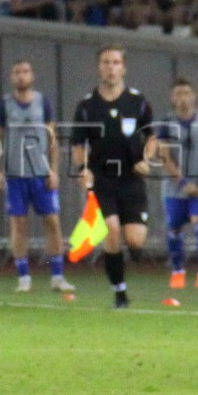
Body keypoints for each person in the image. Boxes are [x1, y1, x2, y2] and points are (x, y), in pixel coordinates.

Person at [69, 46, 156, 308]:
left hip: (131, 180)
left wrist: (146, 159)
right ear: (99, 67)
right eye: (106, 62)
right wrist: (83, 169)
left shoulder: (137, 102)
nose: (111, 67)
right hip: (103, 180)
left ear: (124, 68)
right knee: (112, 229)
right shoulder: (87, 106)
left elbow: (153, 136)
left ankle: (133, 249)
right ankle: (120, 292)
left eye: (116, 62)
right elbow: (78, 144)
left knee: (135, 239)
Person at [0, 60, 75, 294]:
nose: (21, 75)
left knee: (53, 222)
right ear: (12, 77)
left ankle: (57, 275)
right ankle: (23, 277)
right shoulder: (5, 105)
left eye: (25, 71)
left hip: (41, 173)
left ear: (32, 75)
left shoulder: (42, 102)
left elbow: (52, 138)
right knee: (18, 224)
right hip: (15, 175)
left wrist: (54, 170)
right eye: (17, 72)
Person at [155, 78, 198, 290]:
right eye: (178, 94)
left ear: (194, 96)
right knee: (175, 229)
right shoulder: (167, 123)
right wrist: (183, 182)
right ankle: (178, 271)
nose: (183, 98)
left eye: (186, 93)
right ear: (172, 98)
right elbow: (164, 156)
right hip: (174, 188)